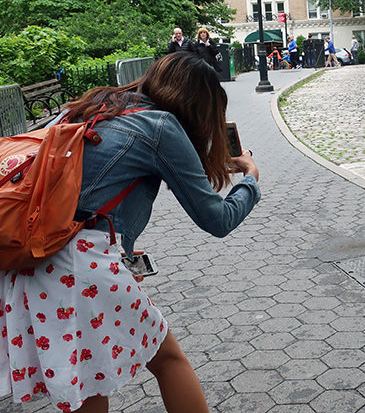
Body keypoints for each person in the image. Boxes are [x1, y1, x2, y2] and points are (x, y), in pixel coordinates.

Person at [0, 51, 260, 412]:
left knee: (89, 381)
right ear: (201, 106)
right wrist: (251, 180)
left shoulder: (94, 106)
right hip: (79, 265)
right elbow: (217, 220)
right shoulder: (160, 126)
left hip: (30, 258)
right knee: (168, 359)